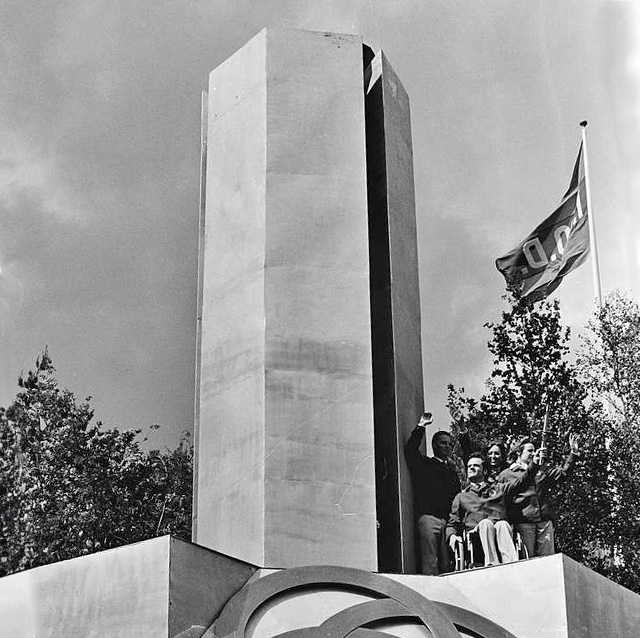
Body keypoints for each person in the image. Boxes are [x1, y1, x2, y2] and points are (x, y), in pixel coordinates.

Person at [446, 451, 541, 567]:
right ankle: (492, 564)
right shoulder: (461, 497)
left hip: (499, 530)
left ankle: (512, 563)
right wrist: (452, 536)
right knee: (486, 523)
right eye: (469, 466)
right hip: (475, 537)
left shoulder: (498, 488)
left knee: (503, 524)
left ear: (485, 471)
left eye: (475, 465)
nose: (471, 468)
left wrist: (534, 464)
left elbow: (520, 483)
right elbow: (453, 521)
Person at [498, 433, 581, 558]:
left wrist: (573, 453)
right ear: (519, 453)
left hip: (544, 520)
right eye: (529, 451)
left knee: (547, 559)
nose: (533, 453)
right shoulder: (507, 474)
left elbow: (562, 473)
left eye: (534, 451)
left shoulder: (542, 470)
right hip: (524, 521)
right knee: (527, 558)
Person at [405, 413, 460, 575]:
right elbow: (410, 450)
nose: (447, 447)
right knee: (430, 563)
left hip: (448, 522)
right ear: (434, 445)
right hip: (429, 519)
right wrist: (421, 426)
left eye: (449, 444)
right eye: (443, 443)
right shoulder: (425, 464)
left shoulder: (452, 473)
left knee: (448, 564)